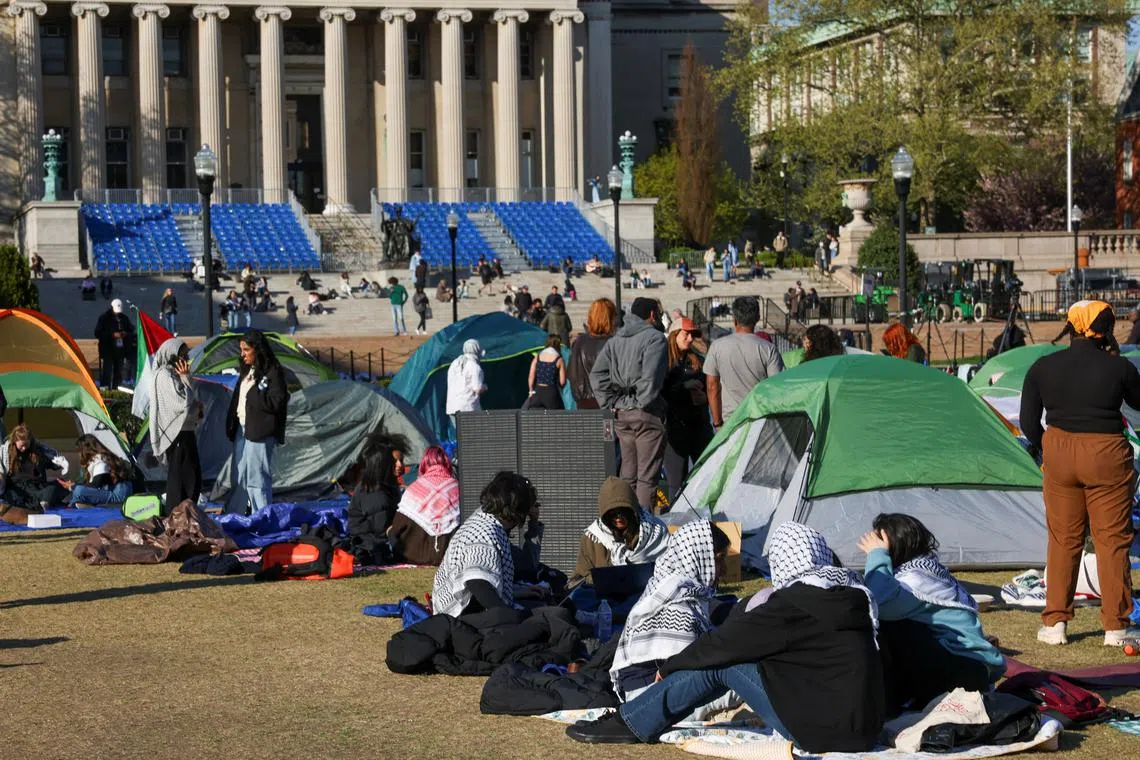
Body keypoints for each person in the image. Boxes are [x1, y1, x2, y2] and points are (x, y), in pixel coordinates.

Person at [566, 522, 884, 751]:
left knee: (723, 665)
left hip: (821, 732)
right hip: (865, 730)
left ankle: (631, 723)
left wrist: (671, 668)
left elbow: (723, 646)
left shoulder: (793, 604)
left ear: (784, 561)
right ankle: (635, 716)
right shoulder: (854, 597)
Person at [1021, 301, 1140, 646]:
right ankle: (1116, 627)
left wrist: (1050, 449)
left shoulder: (1043, 366)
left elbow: (1030, 422)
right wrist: (1116, 359)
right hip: (1106, 452)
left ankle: (1055, 623)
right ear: (1104, 330)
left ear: (1071, 327)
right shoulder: (1118, 368)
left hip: (1059, 450)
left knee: (1063, 540)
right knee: (1112, 541)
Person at [858, 514, 1004, 714]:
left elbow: (878, 603)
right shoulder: (925, 569)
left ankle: (896, 701)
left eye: (879, 543)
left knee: (893, 626)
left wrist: (877, 556)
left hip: (962, 674)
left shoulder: (916, 579)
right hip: (967, 670)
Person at [609, 521, 731, 708]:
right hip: (647, 700)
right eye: (719, 559)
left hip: (659, 692)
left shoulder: (670, 587)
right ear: (698, 556)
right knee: (741, 686)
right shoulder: (678, 604)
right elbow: (691, 673)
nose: (724, 570)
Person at [590, 297, 669, 509]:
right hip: (645, 412)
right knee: (646, 478)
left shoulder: (615, 340)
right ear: (652, 315)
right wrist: (639, 402)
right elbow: (651, 379)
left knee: (628, 475)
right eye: (658, 313)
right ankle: (643, 531)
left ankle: (623, 524)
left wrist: (611, 403)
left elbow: (597, 374)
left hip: (621, 414)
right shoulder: (655, 338)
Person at [431, 471, 538, 617]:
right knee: (548, 617)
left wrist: (518, 592)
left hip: (464, 611)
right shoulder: (485, 533)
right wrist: (509, 617)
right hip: (459, 617)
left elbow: (524, 565)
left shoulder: (487, 520)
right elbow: (477, 582)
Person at [224, 330, 288, 515]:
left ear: (257, 350)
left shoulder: (272, 372)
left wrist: (257, 395)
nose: (242, 354)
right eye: (241, 349)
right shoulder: (246, 370)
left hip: (260, 432)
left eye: (246, 349)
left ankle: (263, 517)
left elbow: (278, 401)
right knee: (240, 477)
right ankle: (234, 516)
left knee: (257, 479)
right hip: (242, 430)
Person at [704, 297, 784, 429]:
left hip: (730, 421)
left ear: (734, 318)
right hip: (760, 419)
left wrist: (717, 422)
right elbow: (776, 388)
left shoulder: (717, 347)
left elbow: (712, 387)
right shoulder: (768, 348)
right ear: (757, 317)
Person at [572, 476, 670, 583]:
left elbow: (671, 569)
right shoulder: (593, 539)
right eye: (612, 514)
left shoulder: (655, 532)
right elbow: (578, 580)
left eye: (622, 512)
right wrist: (598, 580)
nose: (618, 518)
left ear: (633, 511)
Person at [148, 339, 203, 512]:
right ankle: (177, 517)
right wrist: (186, 379)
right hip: (177, 434)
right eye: (183, 355)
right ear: (172, 356)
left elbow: (190, 400)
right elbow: (183, 405)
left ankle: (185, 515)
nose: (186, 359)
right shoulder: (164, 375)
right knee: (183, 480)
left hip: (185, 432)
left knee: (191, 478)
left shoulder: (173, 374)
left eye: (187, 355)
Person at [663, 319, 714, 499]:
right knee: (676, 484)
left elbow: (712, 388)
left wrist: (705, 398)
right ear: (675, 335)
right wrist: (684, 388)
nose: (690, 338)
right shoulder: (663, 361)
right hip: (675, 427)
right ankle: (675, 523)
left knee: (707, 476)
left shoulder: (698, 360)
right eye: (686, 334)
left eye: (693, 334)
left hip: (699, 425)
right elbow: (659, 392)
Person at [388, 445, 460, 566]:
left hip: (414, 555)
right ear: (447, 463)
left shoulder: (414, 488)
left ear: (424, 463)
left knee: (391, 531)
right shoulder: (456, 487)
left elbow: (398, 527)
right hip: (449, 553)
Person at [347, 433, 409, 564]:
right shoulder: (373, 492)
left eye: (401, 460)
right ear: (381, 463)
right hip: (370, 545)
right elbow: (381, 529)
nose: (400, 465)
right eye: (395, 462)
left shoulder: (388, 486)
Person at [0, 424, 70, 513]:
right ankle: (38, 504)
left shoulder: (38, 451)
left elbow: (52, 462)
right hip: (18, 488)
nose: (24, 448)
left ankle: (41, 503)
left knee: (56, 487)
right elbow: (1, 472)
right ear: (15, 441)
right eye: (22, 445)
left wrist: (60, 463)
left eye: (26, 445)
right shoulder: (6, 453)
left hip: (37, 487)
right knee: (13, 497)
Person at [569, 299, 617, 410]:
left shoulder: (579, 342)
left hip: (584, 402)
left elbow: (573, 376)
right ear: (610, 318)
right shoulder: (614, 343)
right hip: (609, 403)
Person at [64, 435, 133, 507]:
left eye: (79, 451)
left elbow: (95, 484)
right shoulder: (94, 461)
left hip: (118, 497)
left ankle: (77, 504)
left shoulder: (101, 459)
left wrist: (73, 487)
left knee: (79, 490)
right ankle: (79, 504)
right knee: (79, 490)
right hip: (111, 493)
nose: (79, 454)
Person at [445, 339, 487, 432]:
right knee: (471, 436)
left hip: (452, 407)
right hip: (467, 408)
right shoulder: (475, 367)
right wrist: (485, 387)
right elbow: (477, 388)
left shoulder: (454, 363)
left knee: (461, 437)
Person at [94, 298, 134, 389]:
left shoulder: (124, 318)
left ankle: (116, 390)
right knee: (107, 373)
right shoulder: (104, 318)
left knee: (118, 373)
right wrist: (112, 335)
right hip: (108, 350)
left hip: (120, 351)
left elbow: (131, 329)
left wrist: (125, 334)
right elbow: (98, 333)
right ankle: (105, 390)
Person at [527, 337, 567, 410]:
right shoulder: (559, 359)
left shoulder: (537, 357)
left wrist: (530, 391)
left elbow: (531, 376)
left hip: (537, 391)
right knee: (555, 416)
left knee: (535, 416)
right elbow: (562, 381)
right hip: (551, 392)